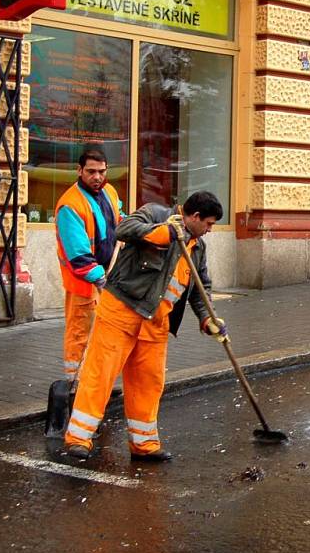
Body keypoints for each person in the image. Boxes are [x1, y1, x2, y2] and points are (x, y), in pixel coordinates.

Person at [63, 191, 226, 461]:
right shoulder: (154, 213)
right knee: (99, 376)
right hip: (121, 312)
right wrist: (161, 233)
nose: (210, 230)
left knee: (148, 384)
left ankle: (144, 444)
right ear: (195, 216)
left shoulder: (197, 248)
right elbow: (123, 229)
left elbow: (200, 289)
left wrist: (208, 318)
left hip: (155, 323)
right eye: (208, 224)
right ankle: (78, 438)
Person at [55, 148, 122, 382]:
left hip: (106, 277)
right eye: (91, 172)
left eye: (101, 172)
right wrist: (100, 279)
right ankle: (74, 385)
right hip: (84, 285)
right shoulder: (70, 205)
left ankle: (97, 383)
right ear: (79, 170)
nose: (97, 177)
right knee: (80, 336)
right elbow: (79, 256)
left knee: (104, 336)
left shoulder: (109, 192)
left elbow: (118, 219)